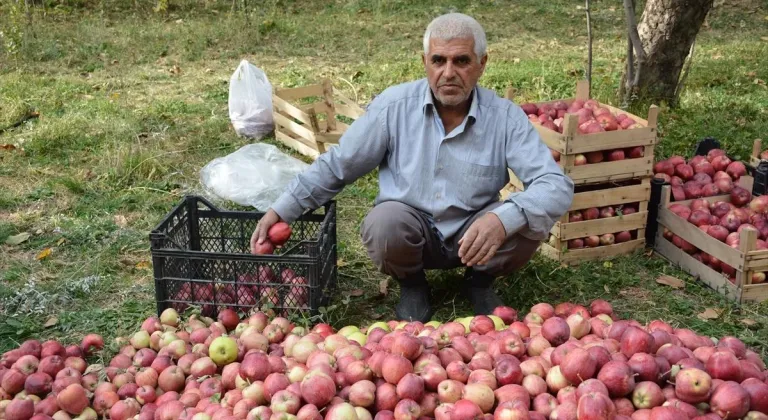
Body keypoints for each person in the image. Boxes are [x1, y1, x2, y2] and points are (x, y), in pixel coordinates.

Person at [251, 13, 574, 322]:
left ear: (481, 64)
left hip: (476, 235)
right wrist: (283, 209)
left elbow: (555, 185)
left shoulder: (504, 117)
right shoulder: (393, 108)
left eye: (461, 60)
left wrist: (504, 219)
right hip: (412, 231)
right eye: (439, 60)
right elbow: (340, 164)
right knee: (384, 223)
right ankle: (412, 283)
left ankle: (479, 281)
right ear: (425, 63)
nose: (448, 72)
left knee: (530, 219)